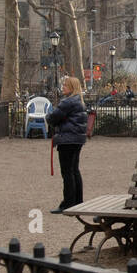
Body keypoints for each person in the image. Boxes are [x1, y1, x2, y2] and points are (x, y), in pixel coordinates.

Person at [47, 76, 88, 214]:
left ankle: (68, 203)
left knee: (67, 172)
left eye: (65, 85)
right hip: (77, 139)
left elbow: (53, 117)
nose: (63, 87)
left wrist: (48, 117)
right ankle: (78, 201)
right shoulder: (79, 101)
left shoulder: (68, 102)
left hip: (67, 139)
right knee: (74, 170)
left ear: (71, 87)